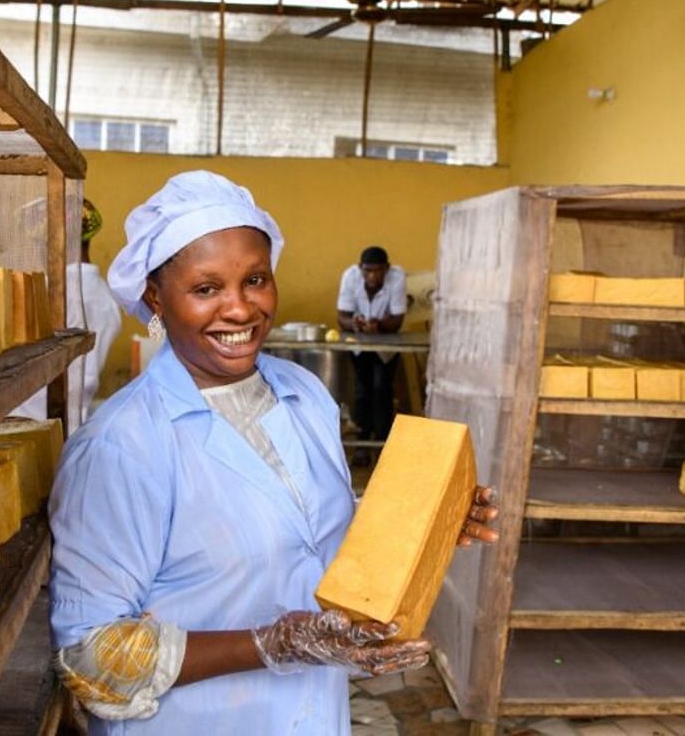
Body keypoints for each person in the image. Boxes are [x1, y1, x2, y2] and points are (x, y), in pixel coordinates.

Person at [47, 171, 497, 735]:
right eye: (206, 289)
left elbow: (315, 543)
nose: (239, 309)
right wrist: (275, 643)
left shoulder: (304, 396)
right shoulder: (122, 446)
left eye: (255, 279)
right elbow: (92, 656)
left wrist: (425, 524)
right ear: (155, 298)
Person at [11, 198, 121, 429]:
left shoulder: (53, 295)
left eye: (40, 244)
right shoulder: (107, 298)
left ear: (53, 244)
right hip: (75, 423)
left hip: (32, 425)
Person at [337, 246, 408, 446]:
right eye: (368, 270)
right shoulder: (350, 277)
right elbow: (342, 316)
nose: (372, 275)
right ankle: (362, 439)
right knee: (362, 389)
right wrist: (354, 324)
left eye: (377, 270)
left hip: (387, 345)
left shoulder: (397, 277)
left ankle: (382, 441)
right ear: (361, 268)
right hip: (359, 345)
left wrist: (379, 325)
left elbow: (397, 321)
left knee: (382, 388)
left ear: (387, 268)